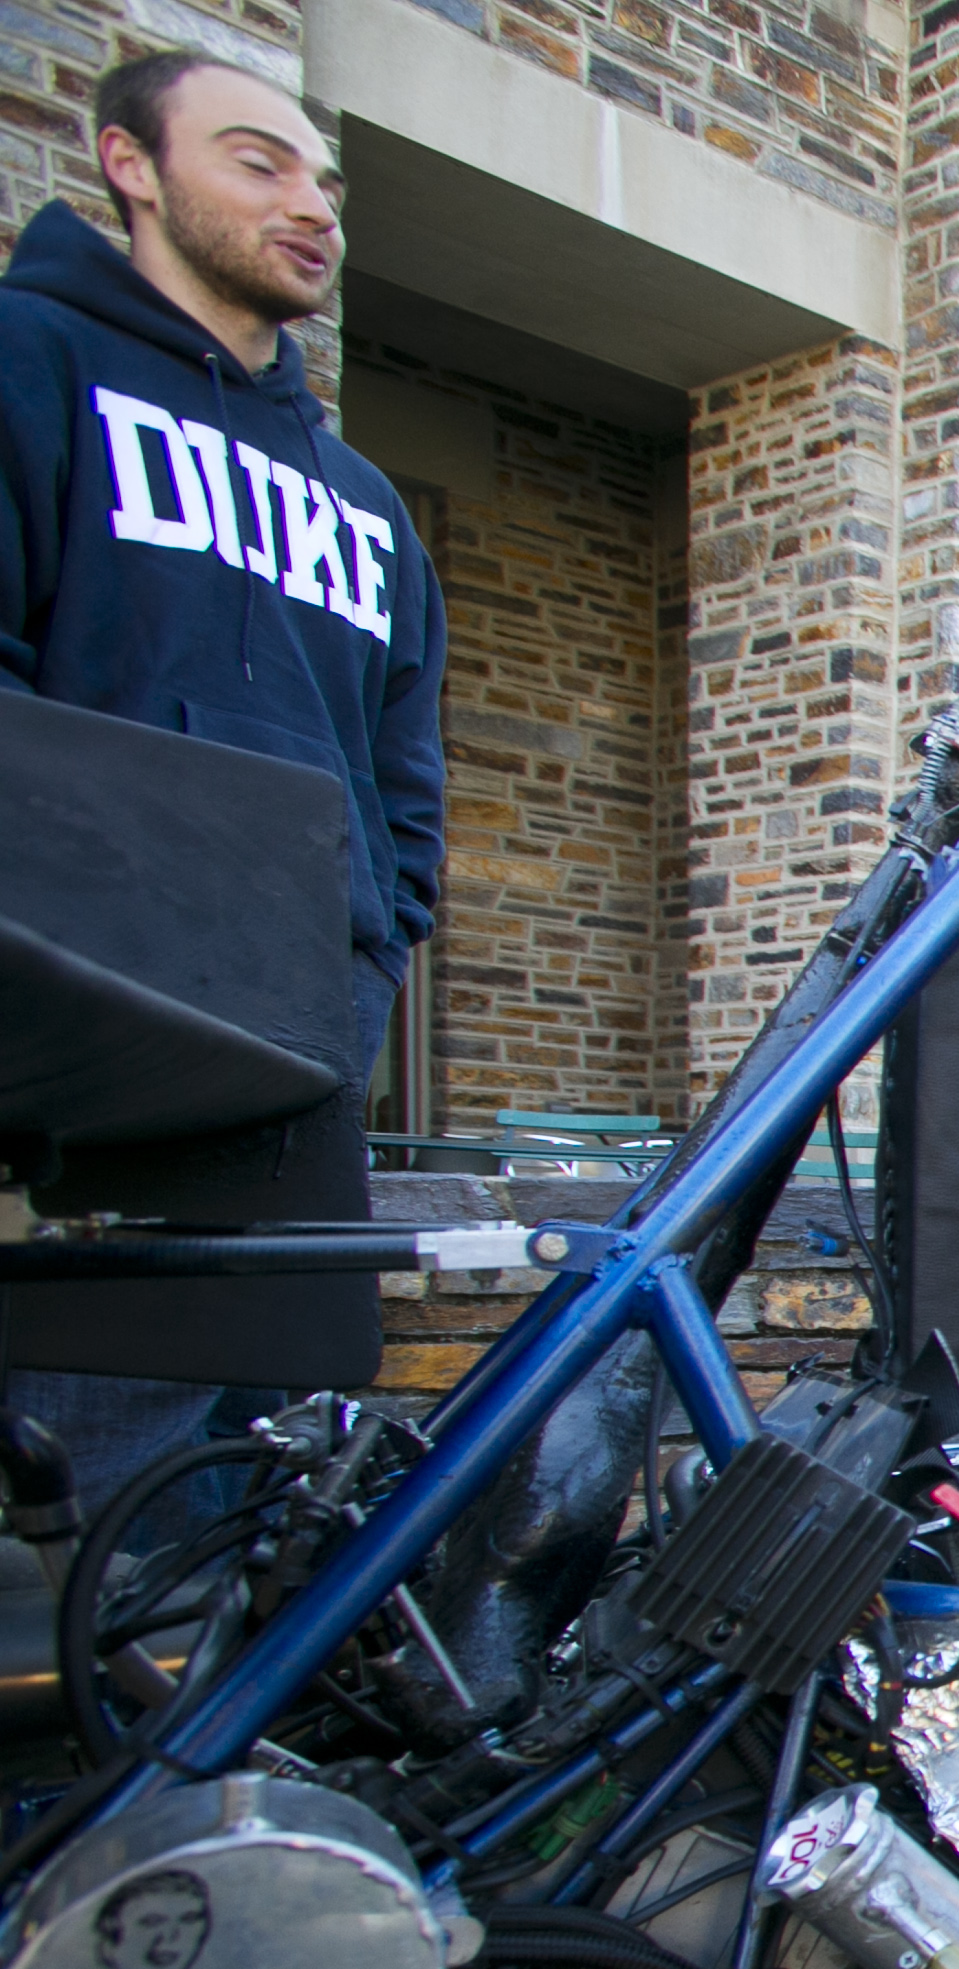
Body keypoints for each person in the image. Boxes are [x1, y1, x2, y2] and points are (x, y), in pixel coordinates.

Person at [0, 52, 448, 1500]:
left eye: (325, 180)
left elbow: (401, 774)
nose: (312, 205)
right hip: (90, 1016)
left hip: (304, 1025)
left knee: (262, 1470)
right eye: (259, 162)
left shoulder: (363, 503)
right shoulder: (34, 362)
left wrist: (373, 948)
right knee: (90, 1458)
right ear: (131, 165)